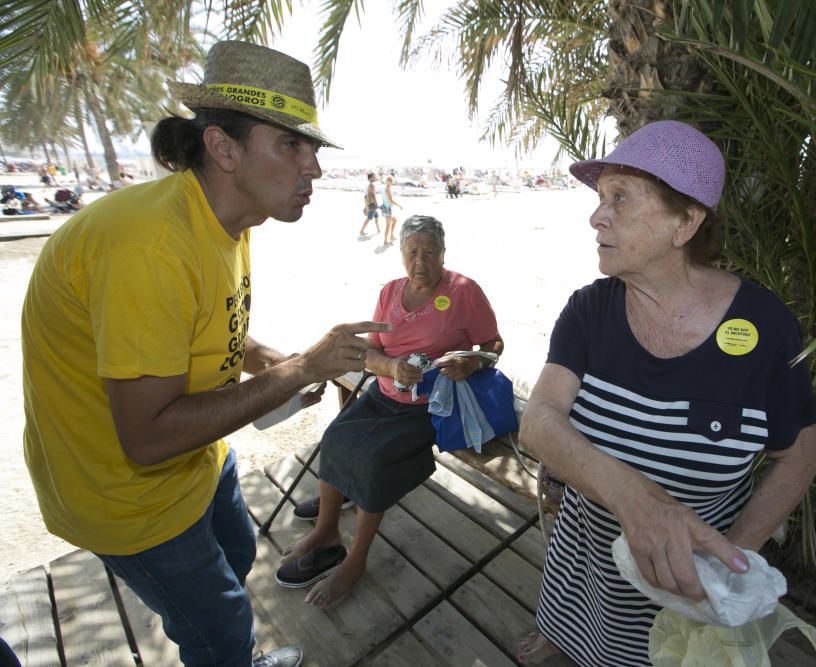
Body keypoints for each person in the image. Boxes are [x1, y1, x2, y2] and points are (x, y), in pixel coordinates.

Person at [21, 40, 388, 667]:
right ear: (223, 148)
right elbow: (147, 439)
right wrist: (304, 365)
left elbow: (204, 324)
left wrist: (268, 360)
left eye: (314, 149)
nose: (315, 170)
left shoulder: (224, 219)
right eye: (291, 146)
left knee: (239, 555)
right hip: (124, 494)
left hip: (200, 459)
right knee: (218, 629)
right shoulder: (149, 247)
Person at [516, 120, 816, 666]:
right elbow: (538, 420)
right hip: (582, 574)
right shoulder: (590, 311)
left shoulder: (765, 327)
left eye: (621, 197)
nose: (596, 215)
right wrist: (635, 498)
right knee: (569, 645)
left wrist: (727, 565)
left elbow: (798, 456)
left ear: (685, 222)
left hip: (685, 598)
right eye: (601, 196)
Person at [275, 215, 504, 607]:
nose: (421, 262)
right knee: (335, 438)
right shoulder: (391, 293)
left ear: (443, 254)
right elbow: (371, 350)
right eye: (413, 252)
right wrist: (390, 367)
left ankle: (356, 559)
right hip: (384, 394)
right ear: (401, 255)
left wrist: (474, 362)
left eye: (430, 253)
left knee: (375, 461)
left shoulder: (463, 291)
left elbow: (494, 344)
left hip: (431, 406)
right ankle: (327, 532)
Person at [380, 175, 402, 244]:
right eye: (389, 181)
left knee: (394, 220)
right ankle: (385, 240)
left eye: (391, 181)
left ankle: (391, 236)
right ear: (386, 182)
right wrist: (399, 205)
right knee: (388, 225)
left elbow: (387, 200)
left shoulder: (386, 189)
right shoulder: (387, 189)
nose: (390, 183)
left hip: (386, 208)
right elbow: (391, 200)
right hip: (387, 209)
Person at [359, 172, 380, 236]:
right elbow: (373, 195)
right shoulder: (371, 185)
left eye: (375, 177)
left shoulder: (368, 184)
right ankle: (361, 230)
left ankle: (378, 229)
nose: (375, 178)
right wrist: (376, 203)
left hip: (369, 203)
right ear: (370, 178)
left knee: (376, 216)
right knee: (369, 218)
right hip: (372, 203)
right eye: (374, 177)